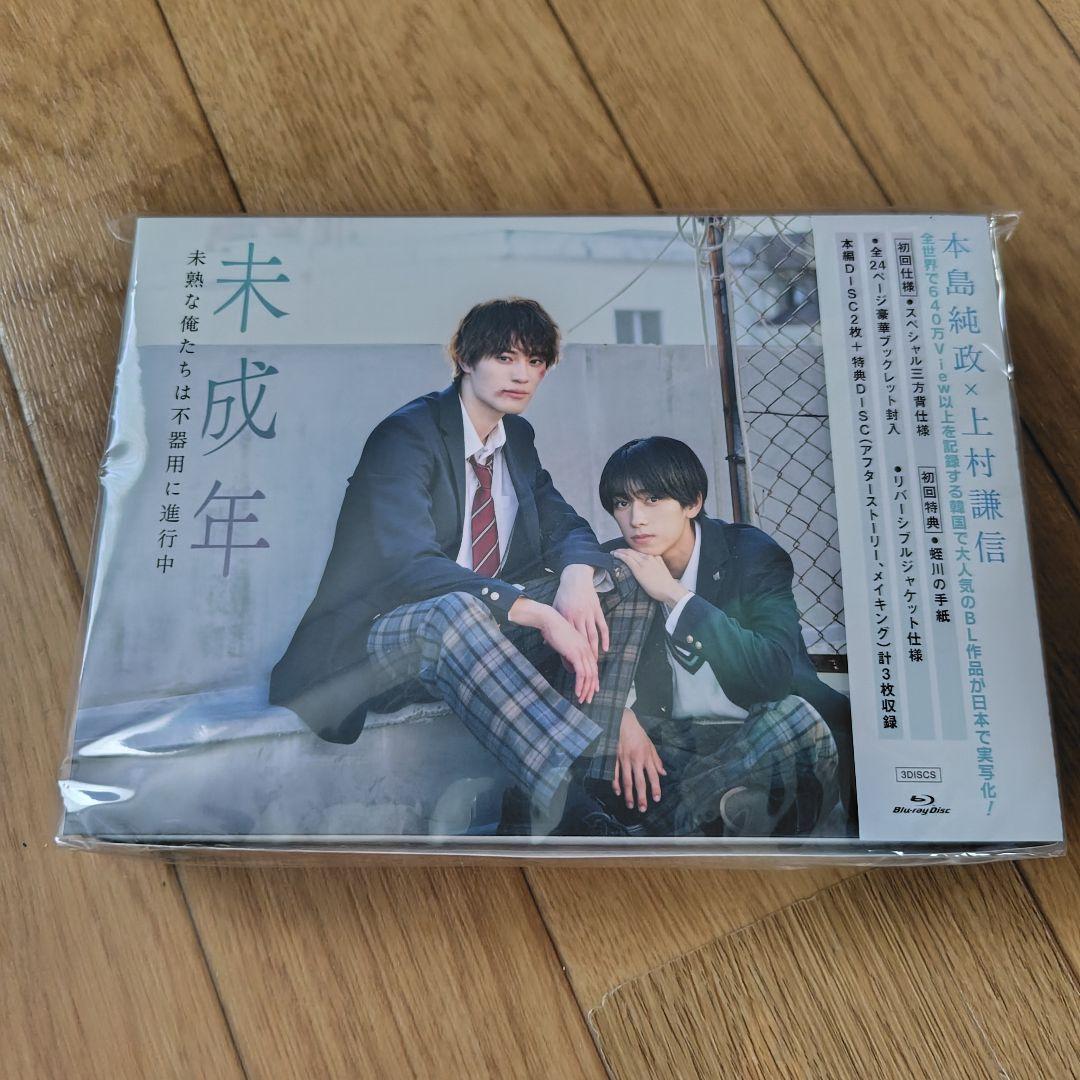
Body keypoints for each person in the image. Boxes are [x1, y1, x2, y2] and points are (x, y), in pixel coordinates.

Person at [268, 298, 652, 833]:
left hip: (479, 645)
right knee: (456, 609)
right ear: (466, 360)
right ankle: (565, 800)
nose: (522, 375)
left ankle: (555, 791)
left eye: (535, 361)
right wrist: (538, 613)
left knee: (623, 576)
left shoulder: (517, 439)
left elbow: (565, 525)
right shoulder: (407, 435)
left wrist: (576, 577)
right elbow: (408, 565)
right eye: (504, 357)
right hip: (378, 645)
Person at [593, 436, 855, 837]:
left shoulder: (751, 554)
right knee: (597, 749)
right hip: (681, 741)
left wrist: (676, 596)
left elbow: (772, 675)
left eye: (653, 499)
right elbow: (571, 659)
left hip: (762, 732)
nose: (636, 519)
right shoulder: (618, 565)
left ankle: (680, 820)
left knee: (794, 719)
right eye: (622, 503)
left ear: (692, 503)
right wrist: (621, 717)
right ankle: (721, 808)